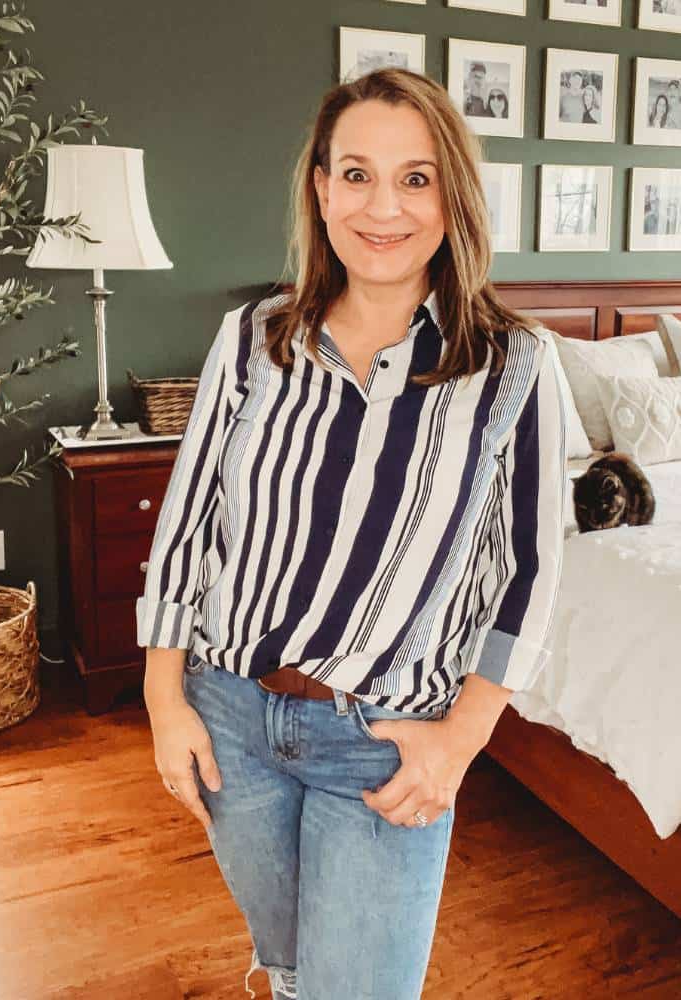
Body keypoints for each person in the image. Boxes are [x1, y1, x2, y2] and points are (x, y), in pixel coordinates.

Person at [138, 67, 567, 1000]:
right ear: (322, 189)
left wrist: (458, 744)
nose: (385, 207)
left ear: (453, 197)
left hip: (385, 744)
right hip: (232, 721)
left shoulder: (513, 364)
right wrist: (164, 699)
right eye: (357, 174)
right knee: (294, 970)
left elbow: (531, 570)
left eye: (416, 178)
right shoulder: (253, 338)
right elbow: (188, 521)